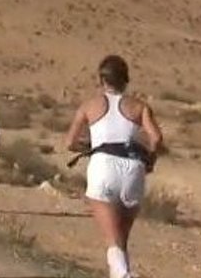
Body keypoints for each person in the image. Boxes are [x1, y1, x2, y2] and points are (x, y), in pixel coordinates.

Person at [64, 55, 163, 278]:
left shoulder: (89, 106)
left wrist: (90, 145)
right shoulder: (140, 106)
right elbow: (156, 138)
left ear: (101, 79)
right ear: (126, 79)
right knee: (120, 242)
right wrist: (151, 160)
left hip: (103, 166)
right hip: (133, 168)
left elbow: (69, 143)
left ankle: (124, 275)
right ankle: (122, 273)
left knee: (113, 242)